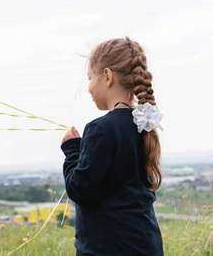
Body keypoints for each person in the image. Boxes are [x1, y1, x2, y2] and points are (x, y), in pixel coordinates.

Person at [61, 37, 164, 256]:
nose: (88, 87)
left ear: (107, 77)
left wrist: (71, 151)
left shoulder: (100, 128)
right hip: (145, 244)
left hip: (107, 248)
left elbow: (80, 190)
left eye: (90, 78)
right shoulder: (143, 124)